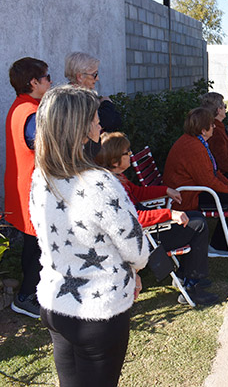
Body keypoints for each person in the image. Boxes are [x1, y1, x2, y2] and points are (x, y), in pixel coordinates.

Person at [30, 86, 148, 387]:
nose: (100, 124)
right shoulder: (99, 183)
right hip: (99, 312)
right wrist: (133, 270)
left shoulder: (40, 176)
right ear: (81, 128)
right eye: (95, 118)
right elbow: (136, 248)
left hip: (56, 304)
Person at [94, 132, 219, 306]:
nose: (130, 155)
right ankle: (192, 286)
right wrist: (169, 214)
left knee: (196, 217)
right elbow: (135, 218)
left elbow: (138, 193)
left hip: (146, 230)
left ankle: (185, 275)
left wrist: (165, 190)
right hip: (144, 237)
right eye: (126, 152)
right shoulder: (112, 187)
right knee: (197, 225)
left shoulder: (117, 179)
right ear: (115, 161)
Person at [164, 108, 228, 257]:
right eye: (212, 124)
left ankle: (221, 243)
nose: (214, 127)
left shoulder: (196, 142)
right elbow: (208, 181)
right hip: (186, 196)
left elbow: (213, 173)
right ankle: (218, 246)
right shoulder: (194, 147)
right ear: (204, 130)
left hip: (193, 189)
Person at [5, 57, 51, 318]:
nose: (50, 81)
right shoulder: (30, 112)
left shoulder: (22, 106)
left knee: (34, 244)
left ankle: (30, 293)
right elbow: (43, 146)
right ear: (34, 82)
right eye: (46, 77)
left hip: (25, 187)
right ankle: (25, 296)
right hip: (32, 191)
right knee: (36, 244)